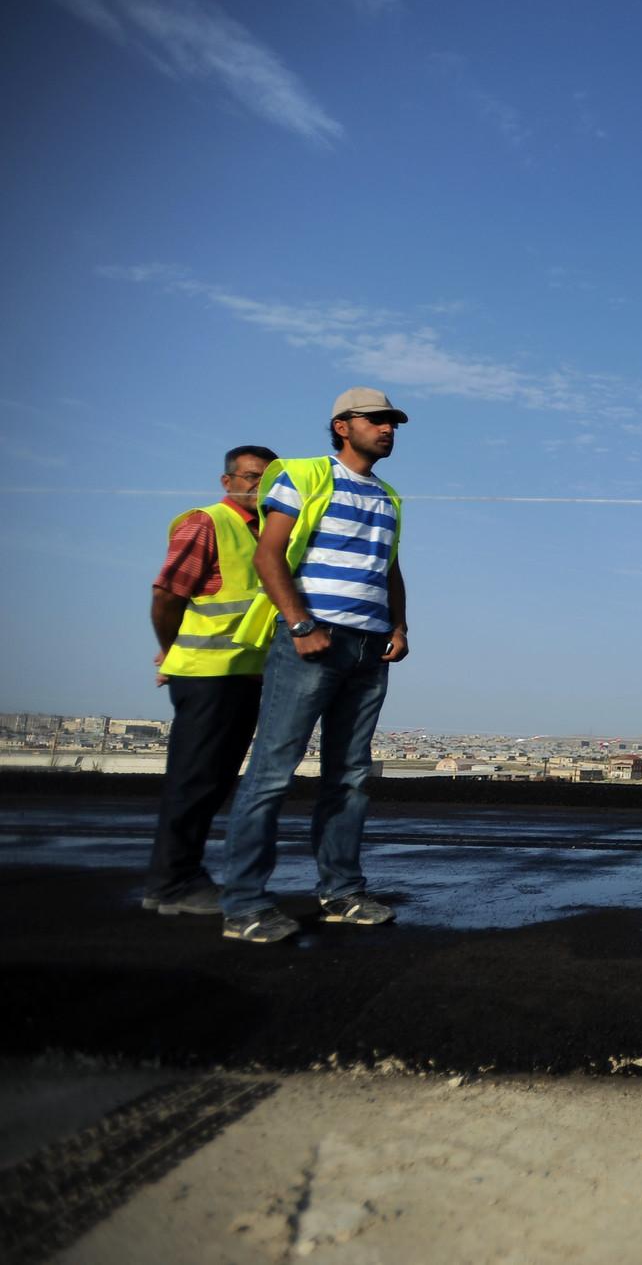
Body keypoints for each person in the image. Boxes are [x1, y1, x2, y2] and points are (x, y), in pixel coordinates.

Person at [217, 388, 410, 944]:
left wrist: (398, 627)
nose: (388, 429)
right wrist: (301, 625)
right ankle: (246, 904)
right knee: (273, 771)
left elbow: (389, 569)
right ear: (342, 426)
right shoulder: (302, 475)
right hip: (315, 642)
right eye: (376, 420)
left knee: (350, 777)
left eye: (392, 422)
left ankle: (342, 893)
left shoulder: (389, 496)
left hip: (370, 648)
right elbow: (268, 553)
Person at [143, 444, 279, 916]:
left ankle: (175, 877)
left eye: (266, 479)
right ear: (228, 481)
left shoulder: (263, 532)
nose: (257, 487)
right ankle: (173, 883)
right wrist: (172, 646)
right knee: (194, 780)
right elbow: (166, 594)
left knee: (211, 781)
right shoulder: (208, 522)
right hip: (207, 676)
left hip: (241, 676)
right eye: (249, 477)